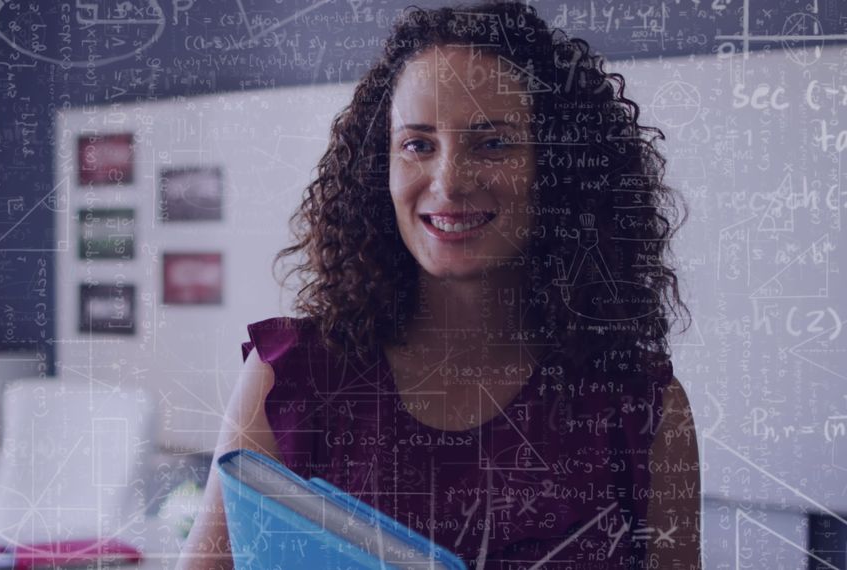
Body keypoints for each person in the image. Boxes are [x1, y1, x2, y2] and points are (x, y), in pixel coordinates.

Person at [178, 2, 701, 568]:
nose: (449, 182)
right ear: (379, 167)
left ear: (561, 169)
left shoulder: (641, 407)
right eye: (418, 144)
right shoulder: (288, 378)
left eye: (493, 143)